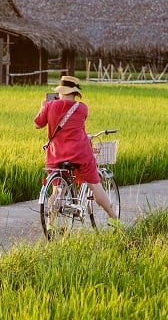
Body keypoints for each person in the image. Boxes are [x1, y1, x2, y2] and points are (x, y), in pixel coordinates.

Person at [33, 75, 121, 227]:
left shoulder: (50, 106)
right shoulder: (82, 108)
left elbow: (37, 124)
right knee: (94, 184)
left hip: (56, 155)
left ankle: (50, 225)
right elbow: (78, 127)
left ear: (60, 92)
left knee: (57, 189)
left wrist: (43, 107)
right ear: (75, 93)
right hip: (80, 154)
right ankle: (114, 218)